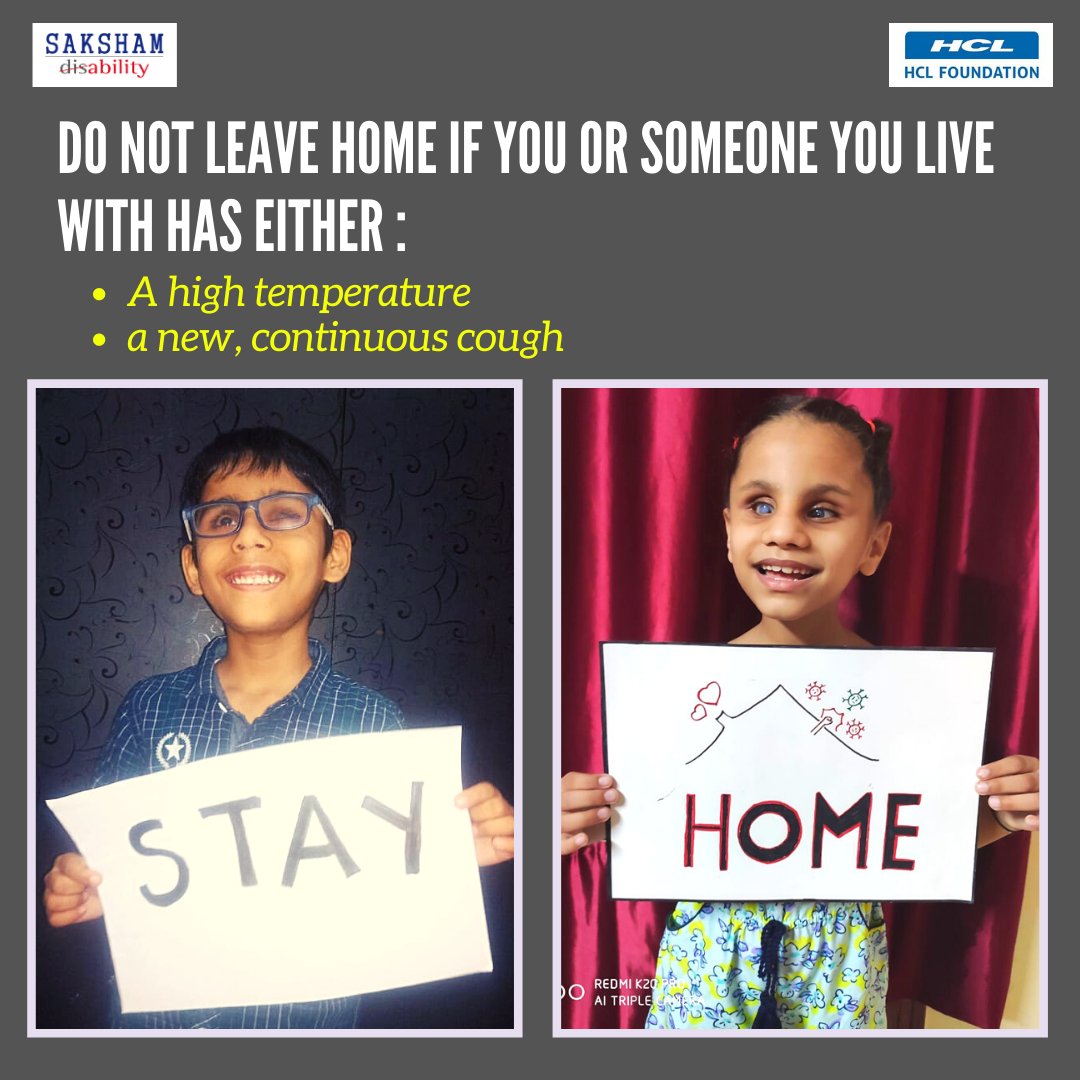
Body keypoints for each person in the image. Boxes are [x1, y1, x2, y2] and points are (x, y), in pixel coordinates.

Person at [561, 395, 1039, 1030]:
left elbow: (919, 831)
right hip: (706, 961)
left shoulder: (908, 694)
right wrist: (593, 818)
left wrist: (1001, 815)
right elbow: (651, 817)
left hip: (841, 964)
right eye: (761, 505)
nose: (785, 530)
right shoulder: (679, 691)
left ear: (874, 544)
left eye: (821, 510)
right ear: (728, 530)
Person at [43, 426, 514, 1028]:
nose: (250, 535)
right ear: (193, 566)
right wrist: (80, 885)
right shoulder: (149, 708)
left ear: (335, 555)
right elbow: (105, 865)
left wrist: (447, 865)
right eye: (220, 520)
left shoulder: (373, 725)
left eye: (285, 513)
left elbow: (387, 907)